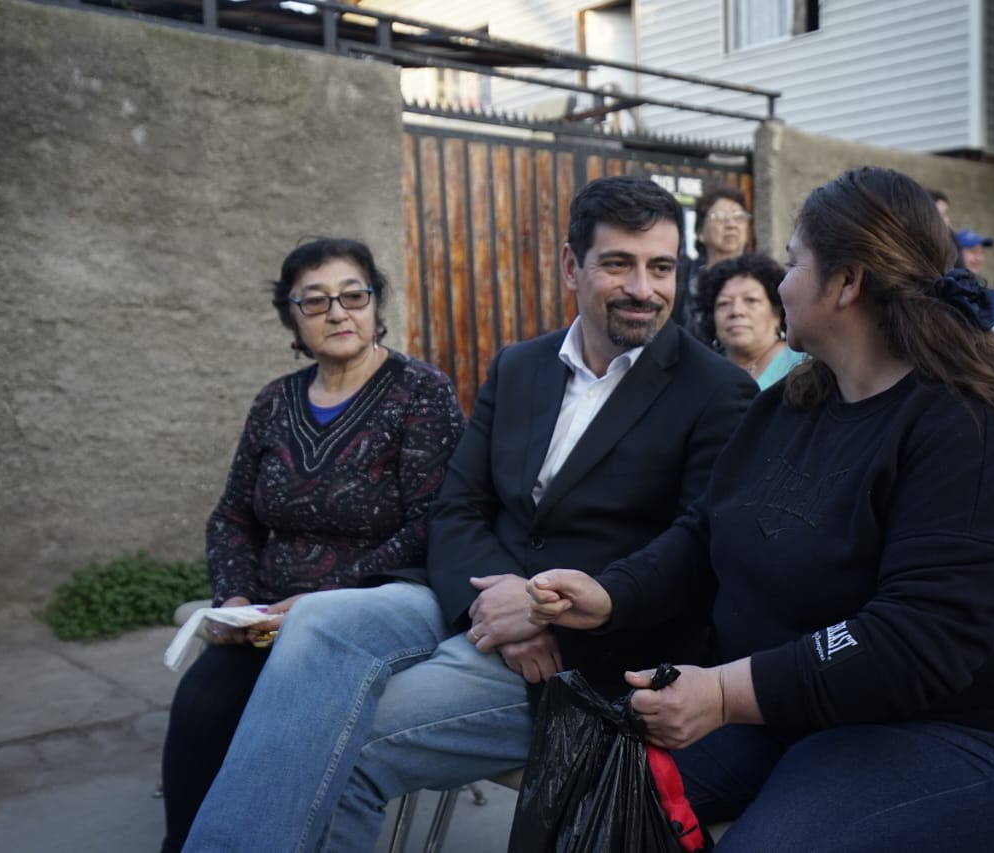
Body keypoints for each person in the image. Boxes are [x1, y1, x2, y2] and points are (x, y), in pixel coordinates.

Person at [183, 175, 758, 852]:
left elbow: (693, 553)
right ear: (571, 265)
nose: (643, 288)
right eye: (617, 264)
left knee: (339, 742)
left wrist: (542, 609)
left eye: (660, 267)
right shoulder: (520, 366)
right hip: (468, 597)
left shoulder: (716, 391)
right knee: (314, 623)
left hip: (585, 655)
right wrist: (498, 604)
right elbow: (457, 505)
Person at [528, 167, 994, 853]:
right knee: (586, 790)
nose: (780, 285)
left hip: (968, 735)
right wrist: (612, 594)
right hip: (795, 711)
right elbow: (707, 531)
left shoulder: (970, 429)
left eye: (792, 264)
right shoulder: (792, 403)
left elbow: (911, 642)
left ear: (845, 283)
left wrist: (723, 694)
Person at [159, 238, 465, 853]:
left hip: (370, 606)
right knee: (202, 701)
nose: (338, 312)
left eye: (353, 296)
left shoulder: (420, 393)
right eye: (316, 301)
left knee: (288, 721)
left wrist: (324, 599)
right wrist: (235, 598)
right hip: (265, 615)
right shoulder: (274, 401)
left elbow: (433, 522)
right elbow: (232, 518)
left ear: (376, 305)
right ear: (292, 318)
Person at [696, 252, 806, 388]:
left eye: (751, 300)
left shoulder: (804, 365)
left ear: (777, 314)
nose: (736, 311)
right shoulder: (702, 373)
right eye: (724, 303)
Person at [672, 185, 753, 338]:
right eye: (720, 217)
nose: (731, 225)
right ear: (700, 232)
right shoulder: (681, 276)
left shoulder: (762, 280)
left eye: (739, 217)